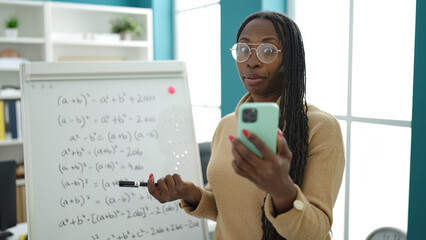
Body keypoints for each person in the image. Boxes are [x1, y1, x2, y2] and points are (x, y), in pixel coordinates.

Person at [147, 11, 345, 240]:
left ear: (290, 59)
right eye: (243, 49)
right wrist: (192, 194)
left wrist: (282, 189)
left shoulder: (321, 127)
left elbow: (315, 231)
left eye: (268, 51)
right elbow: (228, 208)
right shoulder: (227, 126)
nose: (251, 61)